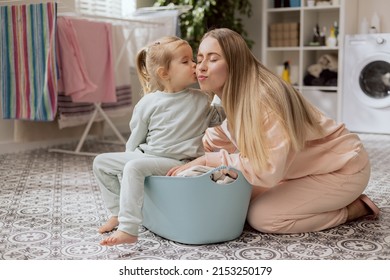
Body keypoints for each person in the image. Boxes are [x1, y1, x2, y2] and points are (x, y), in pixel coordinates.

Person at [168, 28, 380, 234]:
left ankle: (355, 208)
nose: (201, 67)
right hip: (298, 169)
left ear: (235, 64)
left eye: (213, 59)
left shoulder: (264, 101)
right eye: (200, 57)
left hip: (341, 168)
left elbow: (267, 170)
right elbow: (215, 141)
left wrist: (208, 160)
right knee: (239, 197)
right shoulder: (228, 97)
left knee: (263, 217)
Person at [93, 36, 225, 246]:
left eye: (193, 60)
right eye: (186, 61)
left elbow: (220, 115)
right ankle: (117, 213)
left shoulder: (201, 99)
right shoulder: (148, 102)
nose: (195, 65)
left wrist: (220, 88)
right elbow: (135, 139)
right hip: (147, 155)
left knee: (134, 167)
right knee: (101, 162)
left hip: (178, 161)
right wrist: (128, 160)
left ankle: (128, 229)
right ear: (164, 73)